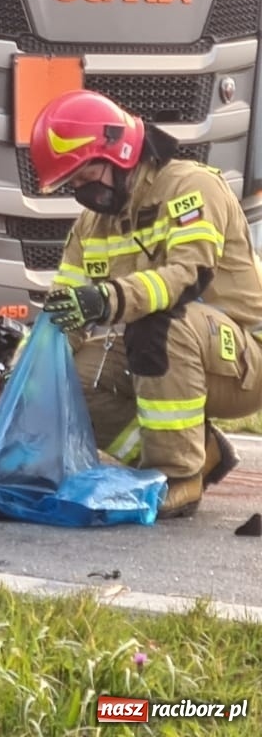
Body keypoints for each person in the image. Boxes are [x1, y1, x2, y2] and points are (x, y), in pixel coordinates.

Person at [34, 89, 260, 519]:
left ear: (117, 152)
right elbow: (62, 311)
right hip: (167, 352)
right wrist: (30, 368)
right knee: (68, 377)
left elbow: (187, 277)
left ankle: (180, 477)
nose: (83, 192)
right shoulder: (92, 225)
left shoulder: (192, 187)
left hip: (243, 359)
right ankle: (200, 453)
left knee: (159, 324)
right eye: (74, 185)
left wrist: (109, 299)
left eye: (86, 176)